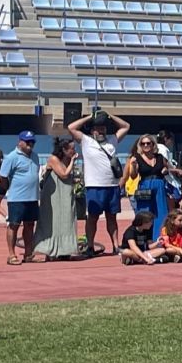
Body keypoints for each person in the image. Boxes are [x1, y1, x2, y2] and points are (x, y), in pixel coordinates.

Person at [69, 110, 130, 256]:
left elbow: (126, 126)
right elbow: (71, 127)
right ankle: (90, 246)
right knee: (92, 218)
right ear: (92, 130)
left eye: (103, 127)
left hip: (112, 186)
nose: (101, 130)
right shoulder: (86, 141)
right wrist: (91, 117)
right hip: (94, 187)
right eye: (97, 128)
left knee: (112, 218)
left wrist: (110, 116)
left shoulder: (112, 140)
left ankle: (115, 246)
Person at [34, 136, 82, 261]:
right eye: (71, 148)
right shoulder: (53, 159)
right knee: (52, 221)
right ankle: (50, 250)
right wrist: (73, 161)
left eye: (74, 148)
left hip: (66, 194)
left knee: (67, 218)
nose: (74, 150)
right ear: (64, 150)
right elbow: (64, 174)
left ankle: (65, 249)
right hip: (53, 195)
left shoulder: (66, 159)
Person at [0, 131, 42, 265]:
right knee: (13, 225)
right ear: (20, 142)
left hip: (33, 198)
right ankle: (11, 255)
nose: (30, 144)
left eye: (32, 142)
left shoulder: (35, 156)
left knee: (30, 225)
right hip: (17, 198)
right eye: (27, 141)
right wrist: (8, 190)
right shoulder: (11, 157)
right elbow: (2, 177)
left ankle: (28, 254)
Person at [124, 134, 170, 240]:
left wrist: (165, 171)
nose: (146, 145)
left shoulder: (159, 157)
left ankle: (159, 239)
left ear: (153, 144)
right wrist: (134, 167)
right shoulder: (137, 158)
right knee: (144, 213)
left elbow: (166, 168)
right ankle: (142, 239)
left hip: (159, 184)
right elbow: (133, 175)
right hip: (145, 185)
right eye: (143, 143)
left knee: (161, 212)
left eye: (148, 143)